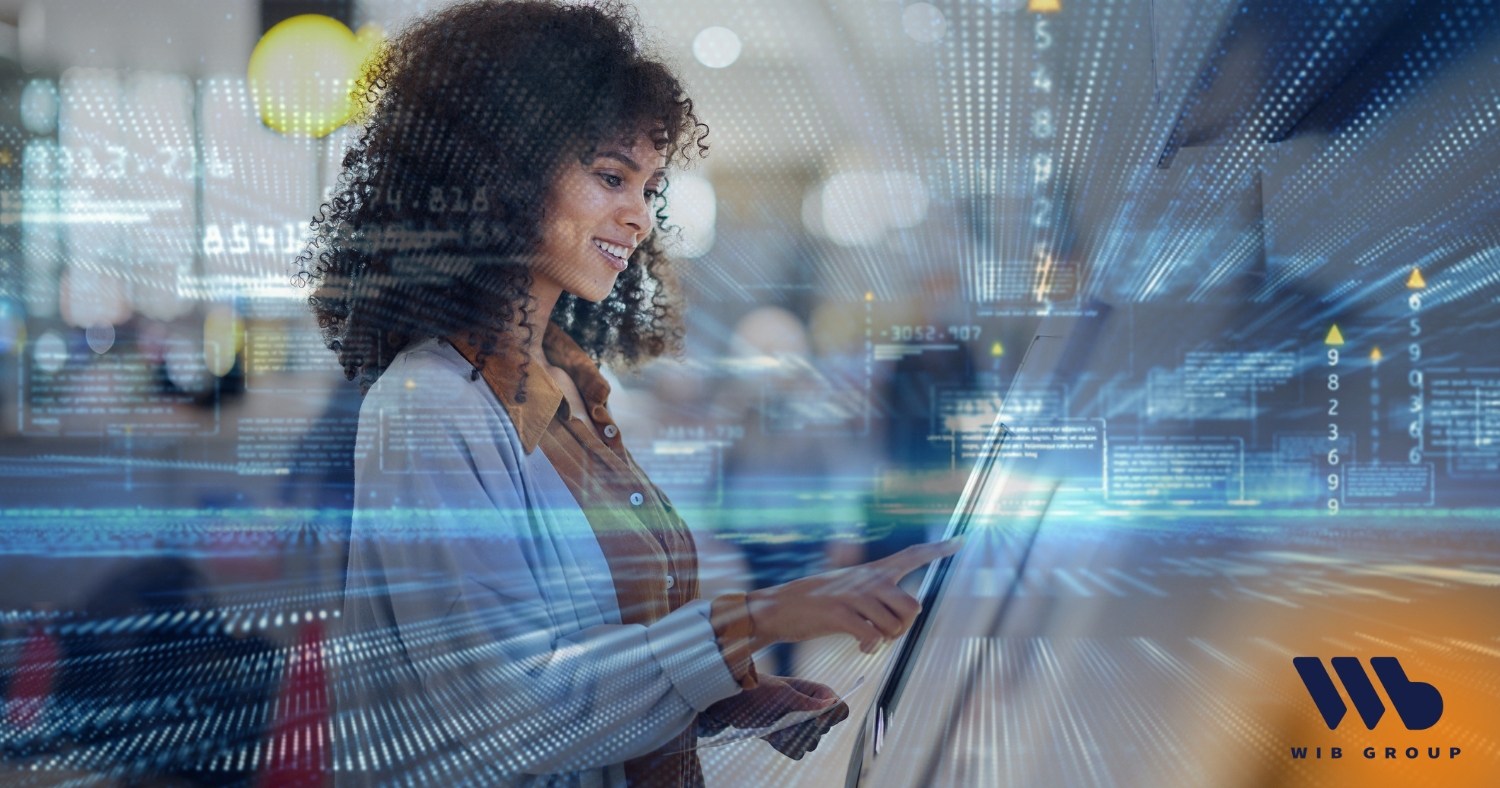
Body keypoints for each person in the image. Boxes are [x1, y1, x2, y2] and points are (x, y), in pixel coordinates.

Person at [299, 2, 961, 786]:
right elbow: (500, 714)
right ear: (498, 170)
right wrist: (762, 619)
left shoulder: (570, 389)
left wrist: (727, 700)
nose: (639, 217)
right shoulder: (429, 407)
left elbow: (592, 646)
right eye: (611, 177)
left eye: (649, 186)